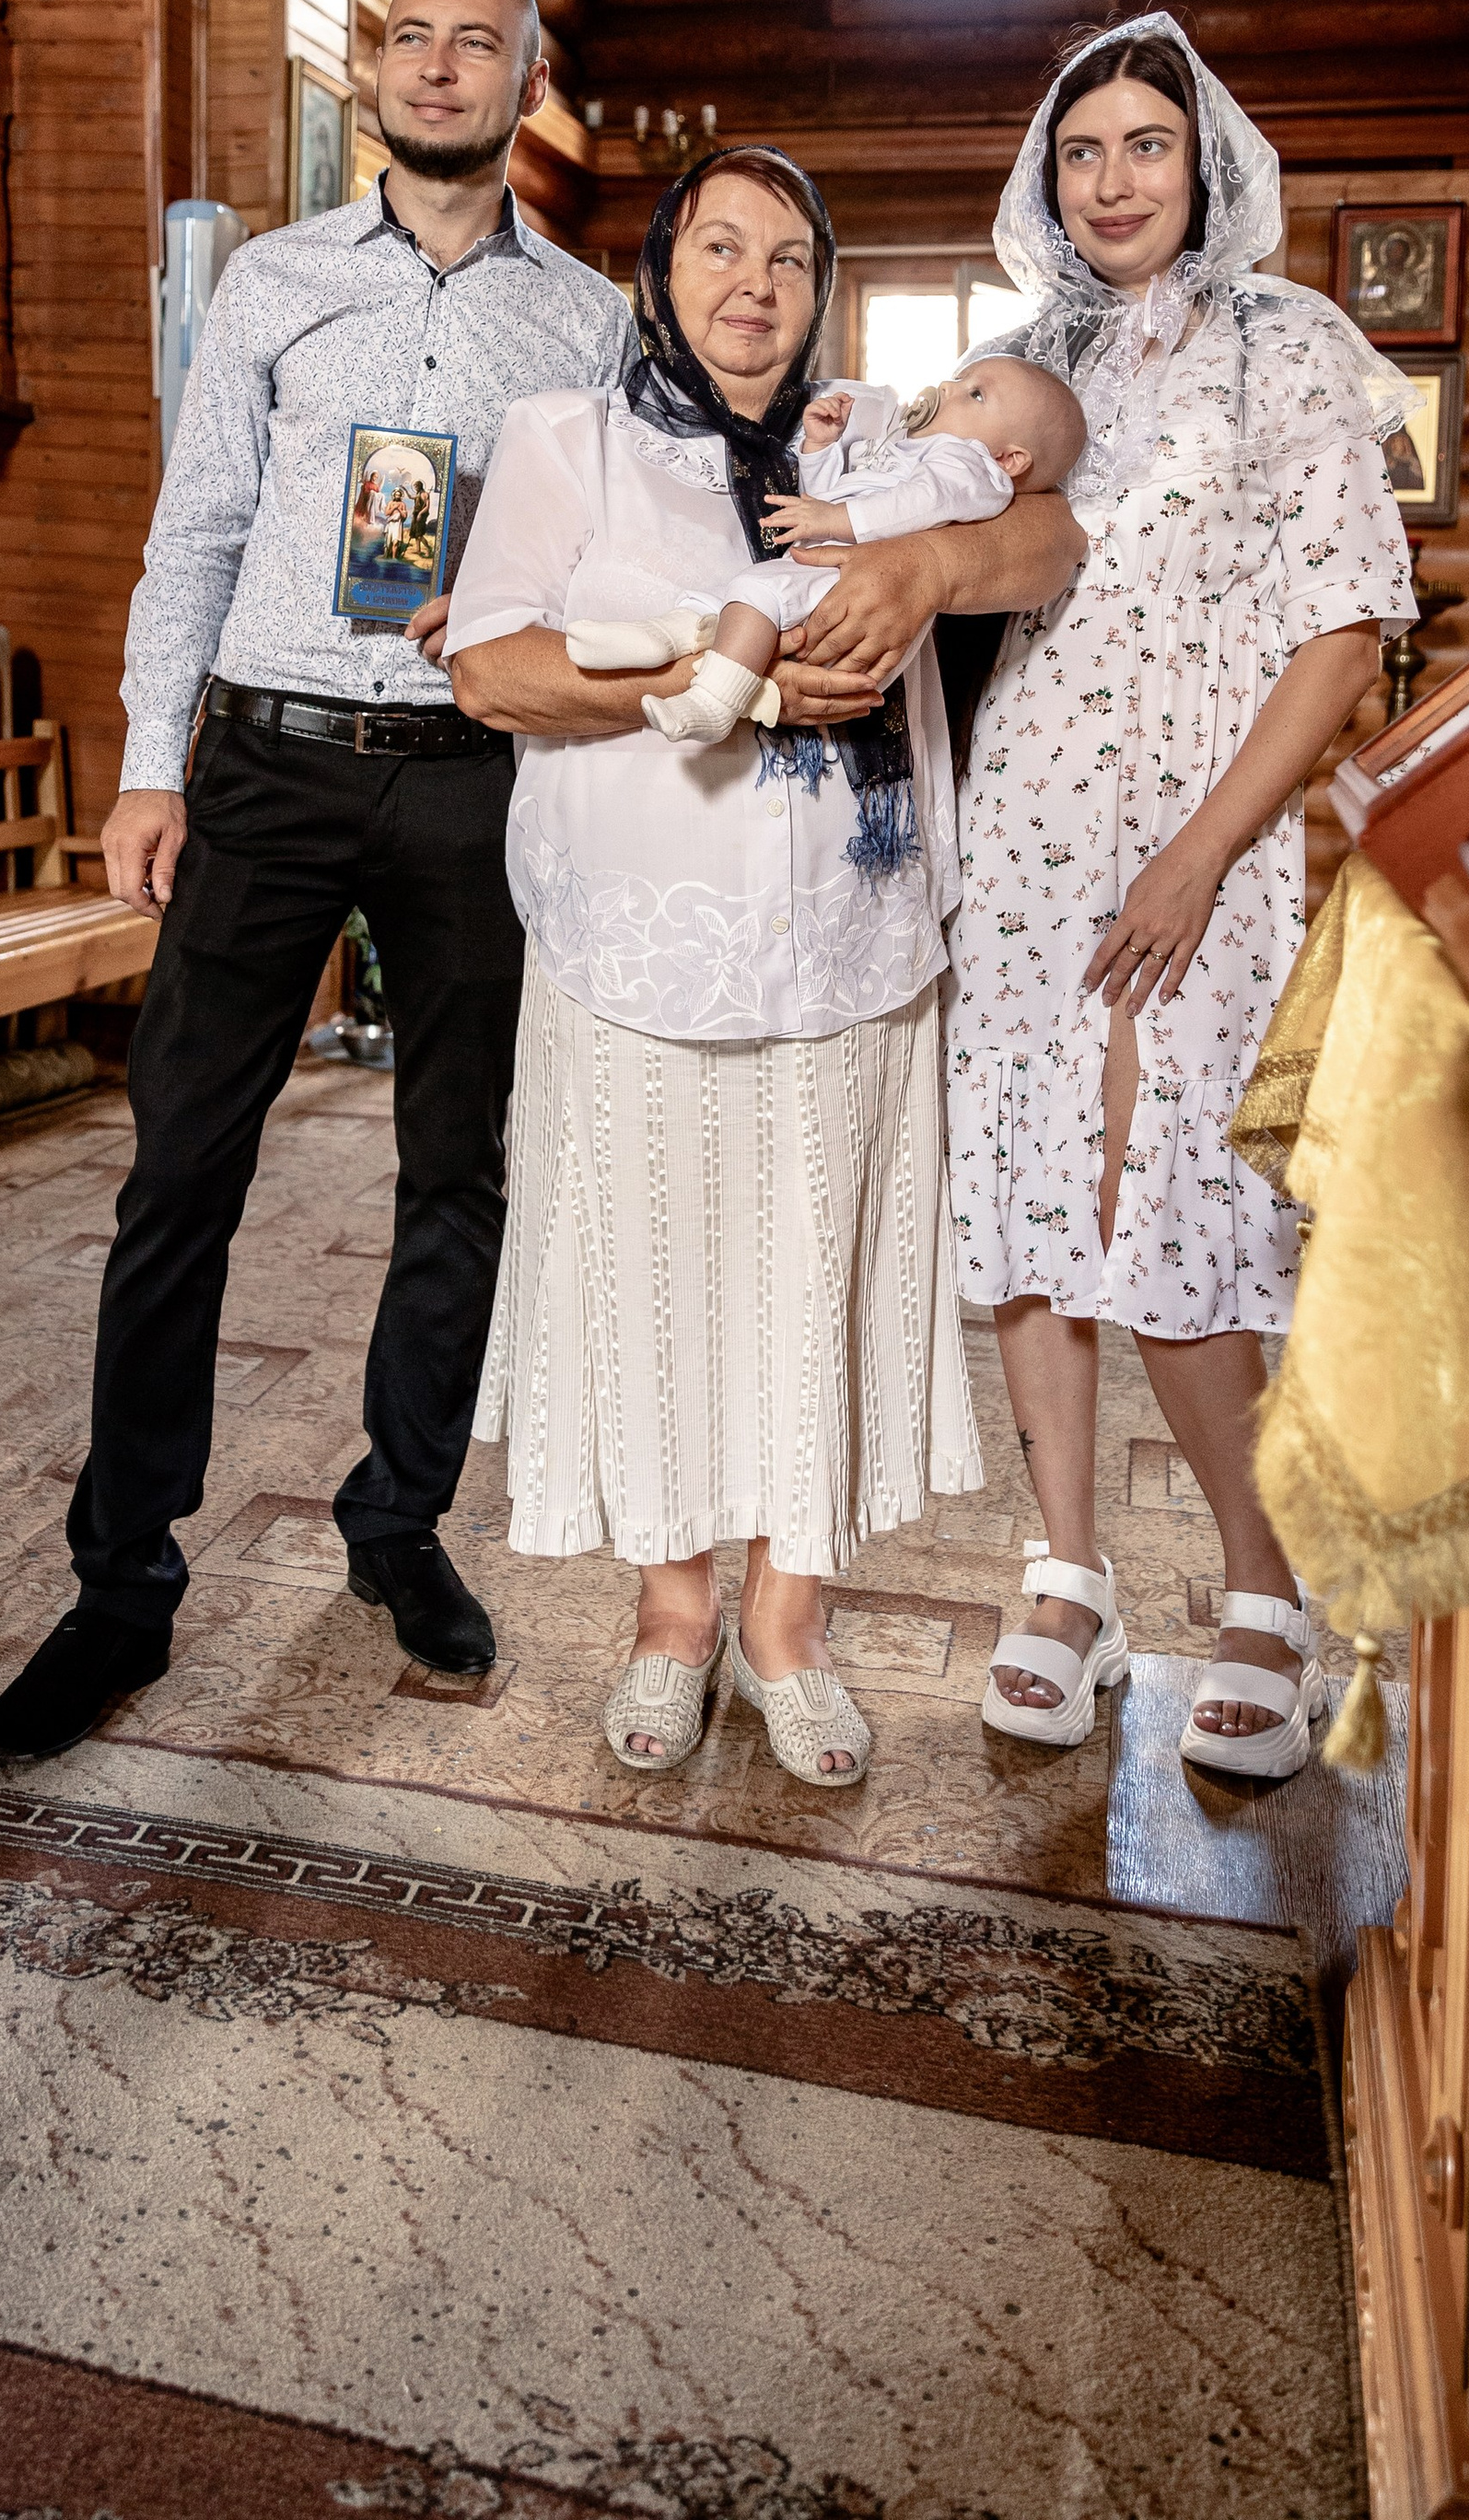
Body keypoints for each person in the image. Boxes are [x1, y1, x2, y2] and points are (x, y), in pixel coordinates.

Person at [0, 0, 635, 1766]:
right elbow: (190, 534)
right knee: (176, 1171)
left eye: (471, 43)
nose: (436, 68)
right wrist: (144, 770)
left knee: (457, 1173)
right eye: (409, 39)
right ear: (377, 74)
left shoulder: (583, 324)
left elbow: (608, 572)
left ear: (521, 80)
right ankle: (119, 1588)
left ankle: (395, 1526)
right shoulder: (268, 282)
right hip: (260, 770)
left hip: (467, 787)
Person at [448, 149, 1083, 1786]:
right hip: (639, 951)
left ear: (821, 291)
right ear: (658, 272)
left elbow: (1048, 542)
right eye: (718, 248)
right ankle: (672, 1622)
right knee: (662, 1283)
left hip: (853, 956)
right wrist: (709, 672)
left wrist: (920, 566)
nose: (753, 284)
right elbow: (496, 666)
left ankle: (787, 1628)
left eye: (789, 259)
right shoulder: (566, 439)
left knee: (814, 1284)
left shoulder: (873, 442)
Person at [947, 14, 1415, 1781]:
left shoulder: (1286, 347)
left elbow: (1347, 628)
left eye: (1147, 144)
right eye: (1084, 153)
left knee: (1176, 1222)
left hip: (1191, 857)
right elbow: (921, 536)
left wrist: (1205, 850)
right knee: (1035, 1198)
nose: (1114, 179)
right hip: (1028, 850)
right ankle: (1067, 1575)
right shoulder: (1028, 360)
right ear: (1050, 184)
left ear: (1203, 164)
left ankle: (1258, 1585)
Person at [568, 351, 1086, 742]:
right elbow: (834, 498)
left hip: (850, 585)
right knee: (737, 594)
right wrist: (821, 449)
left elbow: (916, 506)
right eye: (961, 378)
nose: (949, 388)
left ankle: (712, 703)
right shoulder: (913, 453)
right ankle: (662, 636)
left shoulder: (973, 467)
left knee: (756, 592)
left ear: (1012, 458)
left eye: (976, 395)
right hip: (830, 563)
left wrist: (832, 517)